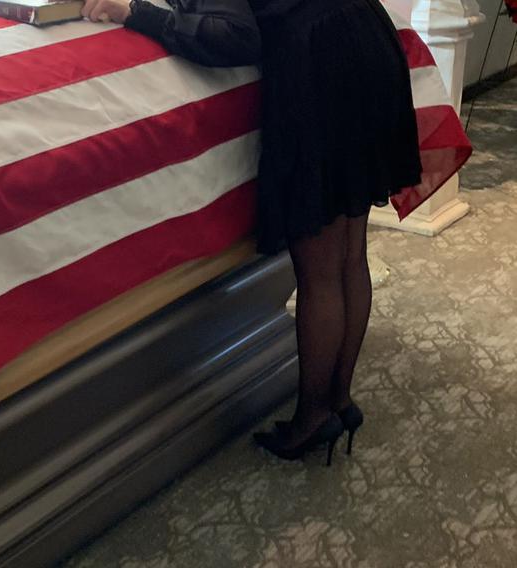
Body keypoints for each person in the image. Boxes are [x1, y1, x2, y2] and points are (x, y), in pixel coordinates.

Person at [80, 0, 423, 465]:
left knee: (320, 269)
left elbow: (233, 36)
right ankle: (339, 399)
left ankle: (314, 417)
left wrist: (135, 14)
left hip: (321, 64)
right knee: (348, 251)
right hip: (364, 36)